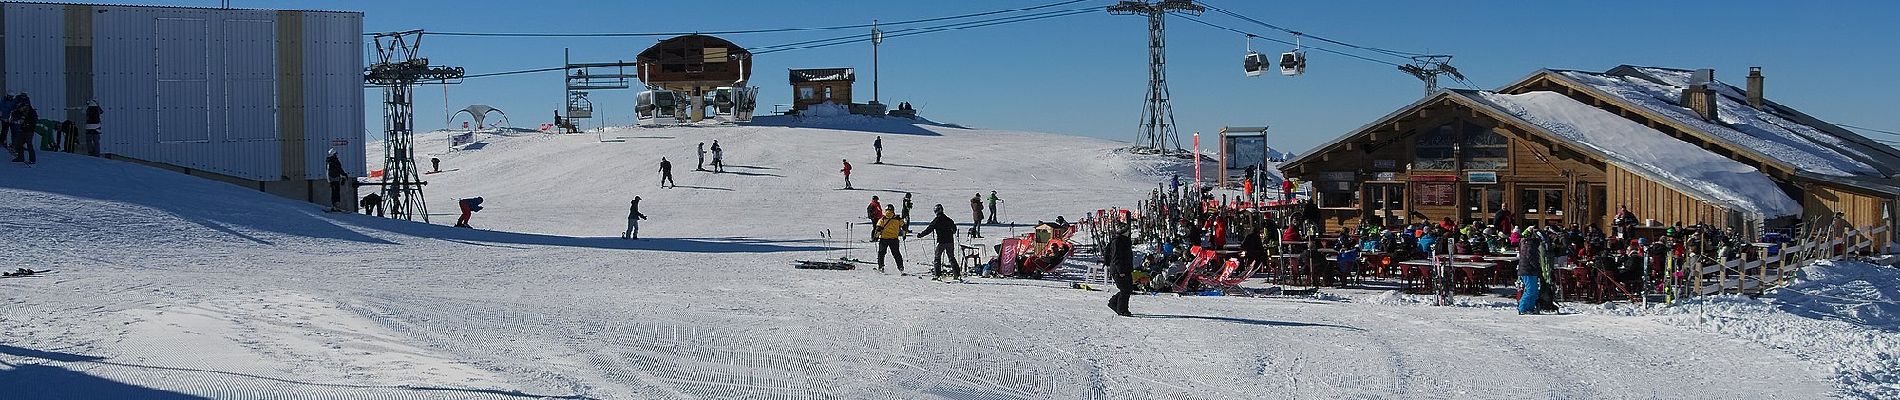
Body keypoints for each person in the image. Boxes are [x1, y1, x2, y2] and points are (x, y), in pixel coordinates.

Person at [917, 204, 961, 280]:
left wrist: (921, 235)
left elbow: (929, 229)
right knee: (951, 258)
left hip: (941, 242)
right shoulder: (948, 219)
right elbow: (954, 229)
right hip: (950, 241)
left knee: (937, 258)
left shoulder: (936, 220)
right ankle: (957, 274)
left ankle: (937, 275)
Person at [1107, 222, 1136, 316]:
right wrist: (1120, 270)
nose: (1129, 232)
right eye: (1127, 230)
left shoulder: (1125, 240)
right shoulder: (1117, 241)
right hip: (1119, 270)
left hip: (1126, 268)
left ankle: (1114, 303)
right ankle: (1122, 310)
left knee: (1128, 289)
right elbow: (1116, 257)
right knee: (1125, 290)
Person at [875, 204, 906, 274]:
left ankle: (881, 267)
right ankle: (901, 267)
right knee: (896, 254)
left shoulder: (882, 219)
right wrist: (904, 235)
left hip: (884, 239)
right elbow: (904, 227)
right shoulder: (898, 219)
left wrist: (876, 237)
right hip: (894, 239)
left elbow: (878, 229)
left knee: (881, 253)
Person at [1517, 234, 1543, 315]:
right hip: (1527, 270)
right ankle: (1522, 307)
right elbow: (1531, 259)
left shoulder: (1530, 245)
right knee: (1530, 290)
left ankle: (1530, 308)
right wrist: (1538, 267)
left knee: (1534, 291)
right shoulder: (1530, 246)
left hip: (1530, 271)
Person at [9, 100, 37, 164]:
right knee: (19, 144)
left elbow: (33, 121)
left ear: (24, 107)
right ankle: (20, 157)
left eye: (20, 108)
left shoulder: (32, 112)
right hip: (23, 130)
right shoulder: (22, 111)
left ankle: (32, 159)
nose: (20, 110)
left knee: (29, 144)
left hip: (29, 131)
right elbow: (16, 112)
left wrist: (26, 124)